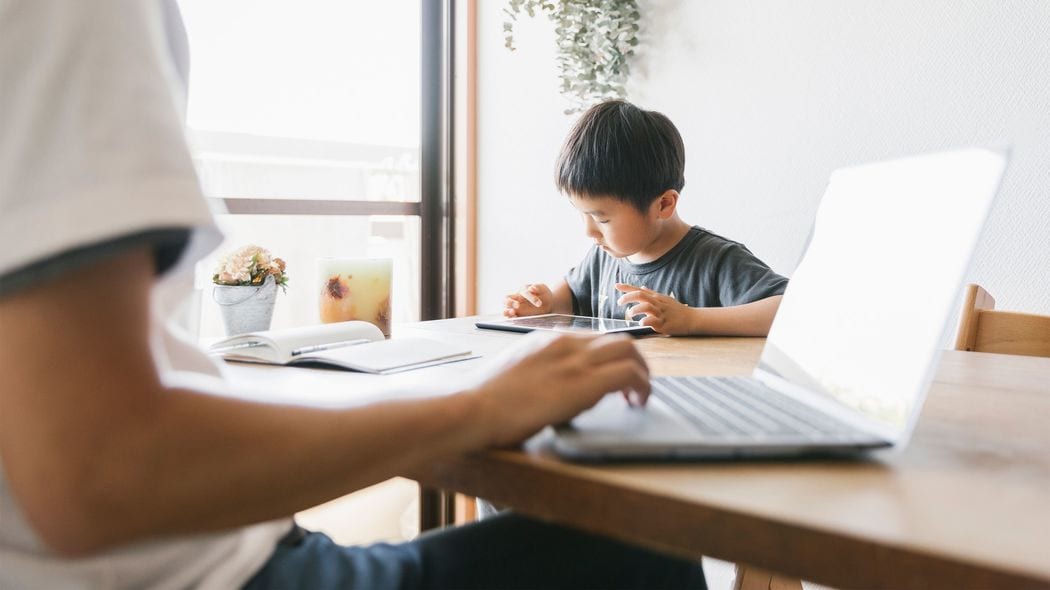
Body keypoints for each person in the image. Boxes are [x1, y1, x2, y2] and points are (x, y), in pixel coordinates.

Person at [0, 1, 706, 588]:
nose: (591, 232)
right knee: (646, 549)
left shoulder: (711, 258)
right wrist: (484, 406)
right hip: (193, 570)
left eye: (602, 217)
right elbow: (95, 468)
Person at [503, 100, 788, 336]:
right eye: (582, 214)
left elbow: (791, 309)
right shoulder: (604, 256)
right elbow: (572, 297)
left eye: (601, 219)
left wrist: (692, 319)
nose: (589, 232)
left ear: (663, 204)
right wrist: (547, 304)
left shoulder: (717, 260)